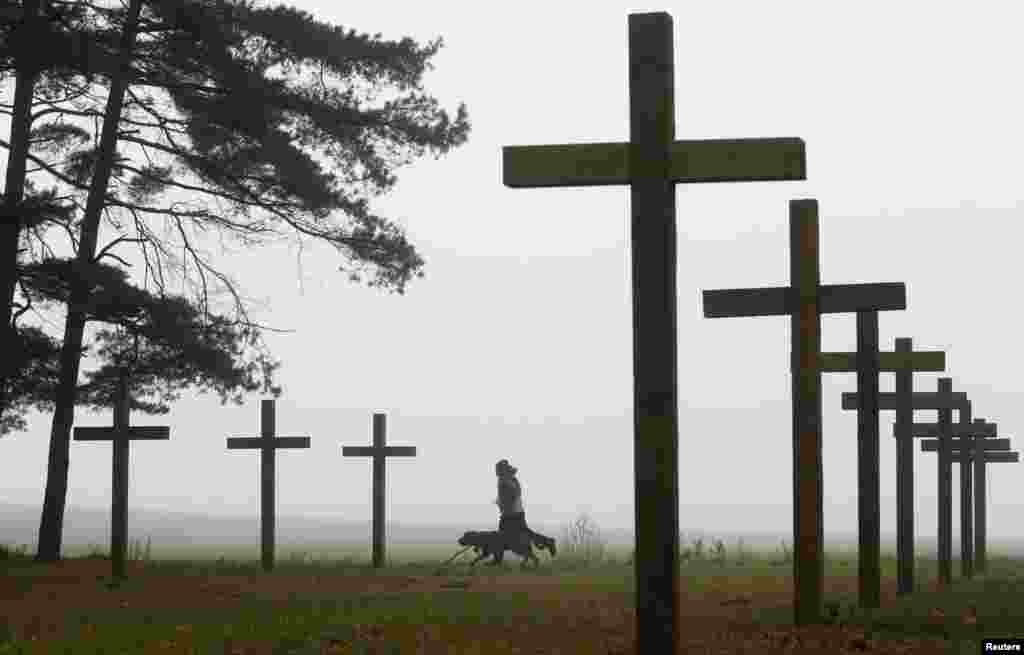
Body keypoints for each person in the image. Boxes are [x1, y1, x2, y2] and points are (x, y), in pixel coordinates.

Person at [495, 459, 556, 556]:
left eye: (498, 470)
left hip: (511, 514)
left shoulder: (506, 482)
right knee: (523, 533)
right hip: (515, 512)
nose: (496, 473)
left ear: (502, 471)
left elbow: (511, 497)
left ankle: (497, 560)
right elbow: (511, 496)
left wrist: (501, 504)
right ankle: (548, 542)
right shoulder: (510, 480)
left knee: (500, 536)